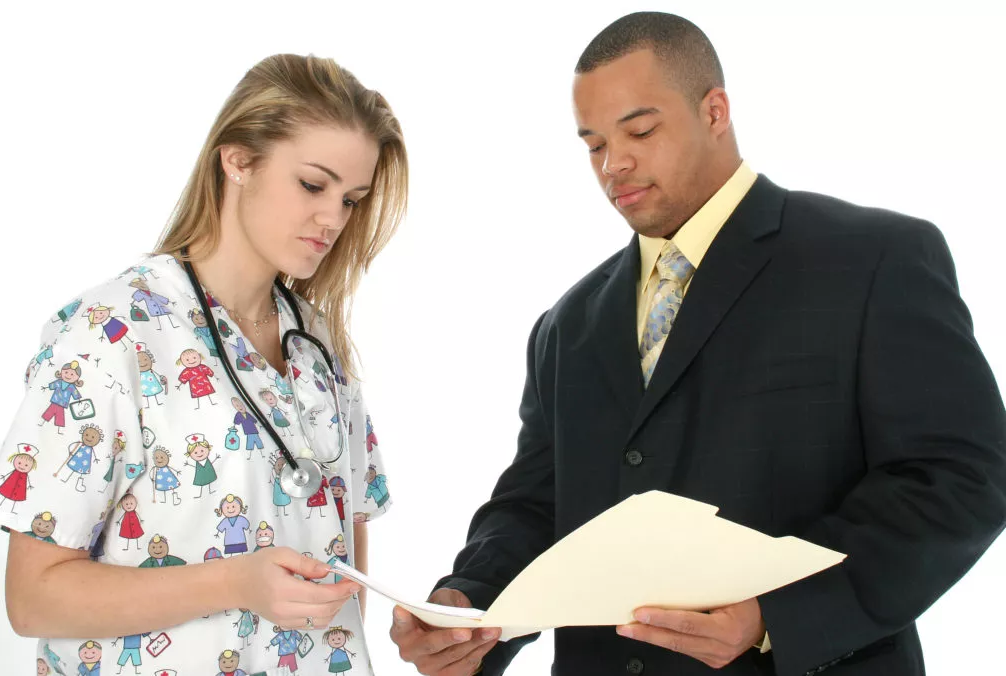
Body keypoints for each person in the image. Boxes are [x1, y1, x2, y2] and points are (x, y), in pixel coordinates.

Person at [389, 12, 1006, 676]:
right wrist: (470, 607)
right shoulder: (567, 325)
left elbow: (962, 476)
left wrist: (778, 614)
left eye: (641, 130)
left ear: (715, 111)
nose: (613, 163)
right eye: (592, 143)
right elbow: (537, 506)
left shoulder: (873, 260)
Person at [0, 53, 407, 675]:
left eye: (353, 199)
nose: (333, 219)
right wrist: (234, 583)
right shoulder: (110, 335)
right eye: (314, 185)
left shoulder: (316, 345)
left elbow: (345, 545)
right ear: (237, 160)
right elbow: (32, 599)